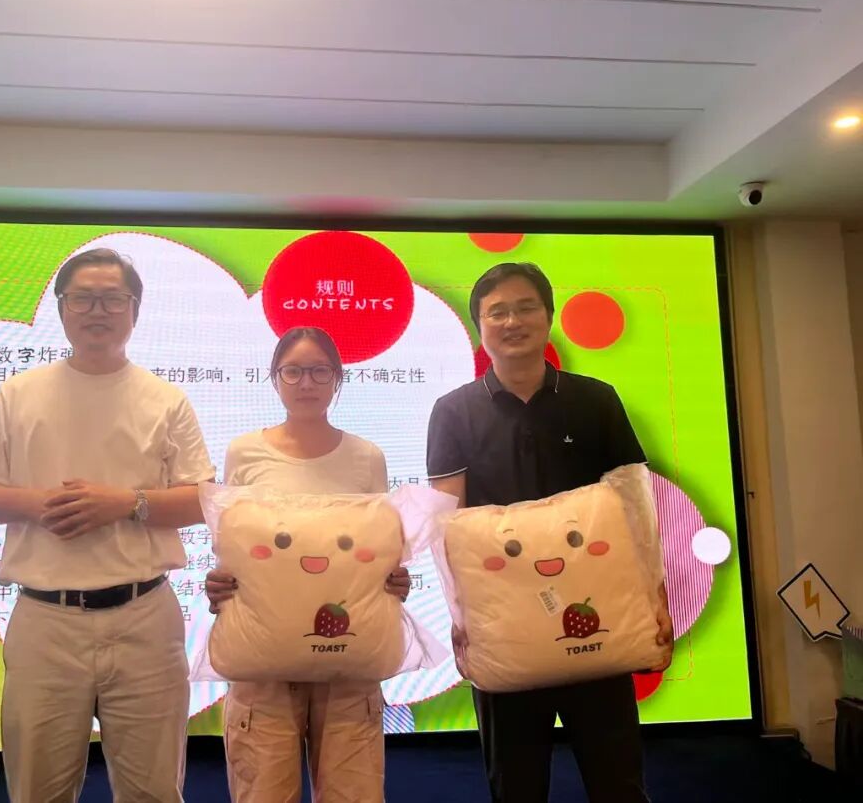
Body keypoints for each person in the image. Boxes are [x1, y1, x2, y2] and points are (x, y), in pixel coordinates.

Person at [0, 248, 214, 803]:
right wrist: (41, 504)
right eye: (83, 298)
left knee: (153, 792)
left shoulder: (165, 399)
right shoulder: (18, 393)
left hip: (145, 617)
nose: (98, 311)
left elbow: (203, 500)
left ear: (135, 310)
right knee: (38, 790)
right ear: (62, 308)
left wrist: (127, 503)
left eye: (113, 299)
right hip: (45, 620)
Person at [426, 263, 673, 803]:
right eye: (497, 312)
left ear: (549, 315)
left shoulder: (596, 399)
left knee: (618, 780)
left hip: (597, 616)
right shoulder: (453, 411)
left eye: (525, 307)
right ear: (480, 326)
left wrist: (655, 597)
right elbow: (446, 524)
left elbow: (635, 507)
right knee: (516, 785)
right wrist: (461, 616)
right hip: (505, 624)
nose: (512, 321)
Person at [204, 326, 410, 803]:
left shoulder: (367, 457)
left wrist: (393, 578)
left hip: (349, 653)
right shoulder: (244, 451)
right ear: (274, 377)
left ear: (338, 378)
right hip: (264, 657)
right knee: (264, 792)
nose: (306, 382)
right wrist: (222, 582)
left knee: (353, 793)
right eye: (292, 371)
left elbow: (376, 546)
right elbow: (235, 543)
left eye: (319, 371)